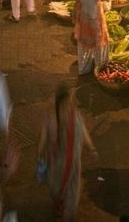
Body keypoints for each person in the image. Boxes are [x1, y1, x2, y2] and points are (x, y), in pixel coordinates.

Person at [37, 85, 97, 219]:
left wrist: (91, 148)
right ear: (61, 102)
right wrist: (40, 157)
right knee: (55, 190)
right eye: (67, 101)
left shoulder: (74, 115)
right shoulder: (50, 117)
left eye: (70, 101)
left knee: (71, 196)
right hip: (56, 165)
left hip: (73, 165)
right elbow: (42, 138)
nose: (70, 104)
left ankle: (66, 213)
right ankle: (58, 207)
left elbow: (83, 132)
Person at [71, 0, 110, 74]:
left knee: (84, 43)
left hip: (82, 15)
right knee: (99, 42)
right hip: (94, 17)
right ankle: (100, 68)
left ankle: (83, 68)